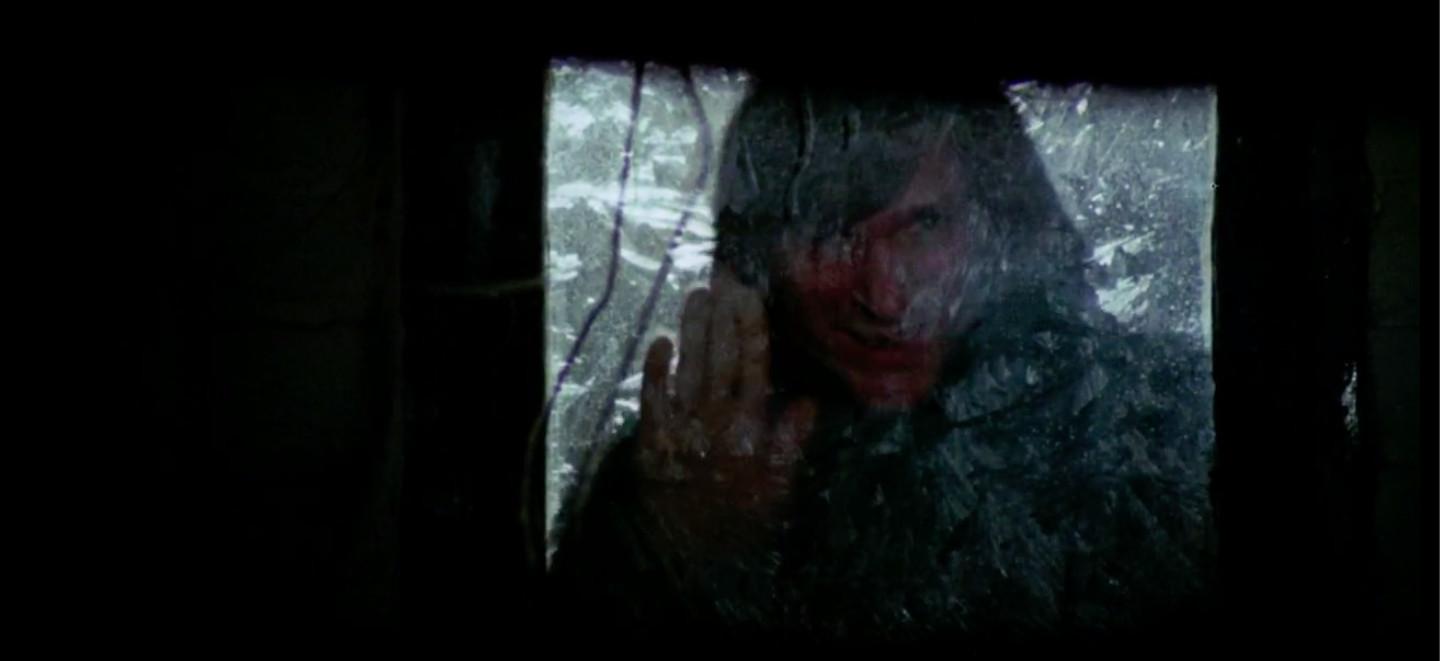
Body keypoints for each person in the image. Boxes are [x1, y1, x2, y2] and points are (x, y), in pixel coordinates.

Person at [548, 79, 1216, 644]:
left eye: (924, 225)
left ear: (997, 226)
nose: (885, 296)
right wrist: (686, 547)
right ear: (760, 253)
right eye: (830, 233)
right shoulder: (693, 461)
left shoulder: (1152, 421)